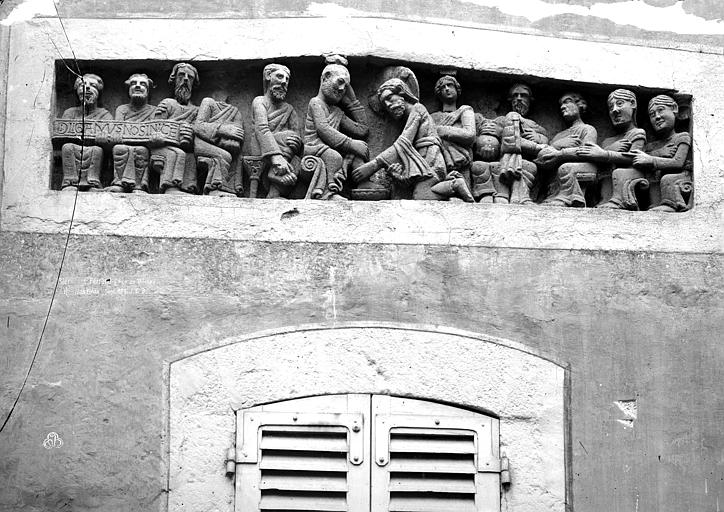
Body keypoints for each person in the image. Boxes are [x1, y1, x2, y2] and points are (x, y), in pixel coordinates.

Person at [351, 78, 473, 201]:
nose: (388, 104)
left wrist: (373, 165)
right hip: (428, 158)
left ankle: (455, 185)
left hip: (431, 158)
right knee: (422, 194)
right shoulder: (408, 116)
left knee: (421, 195)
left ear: (402, 94)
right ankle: (453, 185)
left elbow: (404, 142)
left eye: (389, 98)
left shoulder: (418, 109)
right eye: (384, 104)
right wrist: (398, 175)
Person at [303, 63, 369, 200]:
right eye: (340, 82)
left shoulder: (337, 111)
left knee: (356, 153)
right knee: (335, 157)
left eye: (346, 87)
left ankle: (364, 184)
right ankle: (327, 194)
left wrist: (352, 101)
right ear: (325, 78)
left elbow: (362, 130)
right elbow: (323, 129)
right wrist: (351, 143)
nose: (342, 89)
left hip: (330, 147)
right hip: (314, 146)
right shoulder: (315, 102)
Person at [585, 89, 647, 209]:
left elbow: (634, 158)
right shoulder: (607, 141)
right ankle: (603, 200)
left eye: (619, 104)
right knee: (604, 174)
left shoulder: (637, 133)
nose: (614, 110)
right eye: (610, 107)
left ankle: (619, 200)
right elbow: (600, 163)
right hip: (607, 181)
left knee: (619, 173)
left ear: (633, 103)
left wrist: (606, 154)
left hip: (630, 174)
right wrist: (610, 150)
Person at [630, 95, 692, 212]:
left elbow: (678, 162)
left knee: (667, 178)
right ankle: (653, 204)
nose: (657, 117)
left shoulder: (682, 137)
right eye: (652, 115)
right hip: (655, 182)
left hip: (679, 177)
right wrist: (659, 153)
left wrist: (651, 160)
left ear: (674, 108)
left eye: (661, 110)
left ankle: (671, 204)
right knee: (651, 176)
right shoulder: (652, 146)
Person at [535, 92, 598, 207]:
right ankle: (551, 195)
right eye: (561, 104)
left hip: (582, 166)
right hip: (555, 173)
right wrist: (557, 145)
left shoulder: (587, 129)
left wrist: (561, 154)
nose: (562, 107)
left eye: (567, 102)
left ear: (579, 105)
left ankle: (569, 197)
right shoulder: (559, 136)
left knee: (566, 168)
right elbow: (544, 156)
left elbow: (587, 152)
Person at [250, 63, 303, 198]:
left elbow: (297, 135)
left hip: (285, 152)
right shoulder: (260, 101)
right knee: (288, 135)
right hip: (262, 147)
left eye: (287, 79)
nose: (284, 82)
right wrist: (276, 157)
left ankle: (274, 192)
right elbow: (261, 129)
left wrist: (297, 143)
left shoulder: (289, 109)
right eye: (280, 76)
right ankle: (275, 174)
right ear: (268, 76)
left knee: (299, 157)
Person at [493, 83, 549, 204]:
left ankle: (520, 196)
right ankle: (518, 196)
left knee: (530, 166)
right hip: (506, 158)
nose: (519, 98)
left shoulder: (537, 127)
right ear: (510, 100)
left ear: (530, 100)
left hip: (532, 163)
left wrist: (538, 137)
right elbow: (500, 140)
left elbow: (546, 143)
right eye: (515, 95)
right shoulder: (502, 120)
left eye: (523, 95)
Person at [151, 63, 198, 194]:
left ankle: (188, 188)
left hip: (185, 147)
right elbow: (155, 126)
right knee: (177, 153)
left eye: (190, 77)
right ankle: (170, 187)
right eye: (181, 75)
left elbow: (199, 136)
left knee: (191, 156)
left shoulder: (196, 110)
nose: (186, 79)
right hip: (161, 146)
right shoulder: (167, 103)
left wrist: (191, 133)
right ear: (174, 80)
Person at [59, 73, 112, 191]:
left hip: (94, 148)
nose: (87, 87)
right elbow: (61, 134)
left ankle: (93, 183)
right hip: (74, 147)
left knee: (97, 150)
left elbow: (111, 135)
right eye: (82, 85)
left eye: (92, 85)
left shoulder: (105, 114)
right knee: (67, 147)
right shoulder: (69, 112)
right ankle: (70, 182)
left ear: (98, 92)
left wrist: (104, 138)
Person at [106, 73, 156, 193]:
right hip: (124, 143)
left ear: (148, 91)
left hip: (144, 146)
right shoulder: (122, 109)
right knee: (119, 148)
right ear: (128, 89)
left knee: (141, 150)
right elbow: (118, 129)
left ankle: (139, 185)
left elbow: (155, 129)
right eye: (133, 84)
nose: (137, 86)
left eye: (142, 84)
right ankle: (119, 182)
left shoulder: (154, 110)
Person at [430, 75, 476, 189]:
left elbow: (470, 135)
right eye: (443, 87)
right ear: (439, 93)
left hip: (462, 160)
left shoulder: (465, 111)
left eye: (450, 85)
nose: (446, 89)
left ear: (457, 89)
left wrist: (440, 130)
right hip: (439, 162)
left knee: (464, 193)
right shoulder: (433, 117)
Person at [194, 96, 245, 197]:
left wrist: (235, 137)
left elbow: (237, 132)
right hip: (202, 142)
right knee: (223, 156)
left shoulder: (235, 112)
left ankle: (232, 188)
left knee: (238, 157)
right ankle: (215, 188)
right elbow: (198, 126)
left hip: (222, 144)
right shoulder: (209, 102)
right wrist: (222, 129)